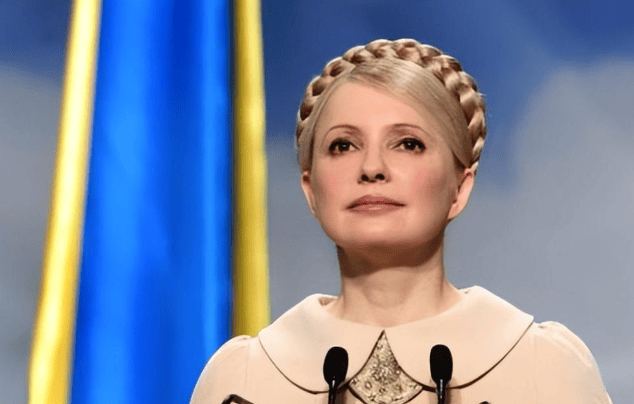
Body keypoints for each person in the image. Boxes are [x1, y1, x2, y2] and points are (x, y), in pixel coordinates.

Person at [190, 39, 612, 404]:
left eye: (408, 143)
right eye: (343, 145)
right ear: (311, 190)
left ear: (460, 187)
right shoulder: (241, 377)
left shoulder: (545, 368)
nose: (372, 168)